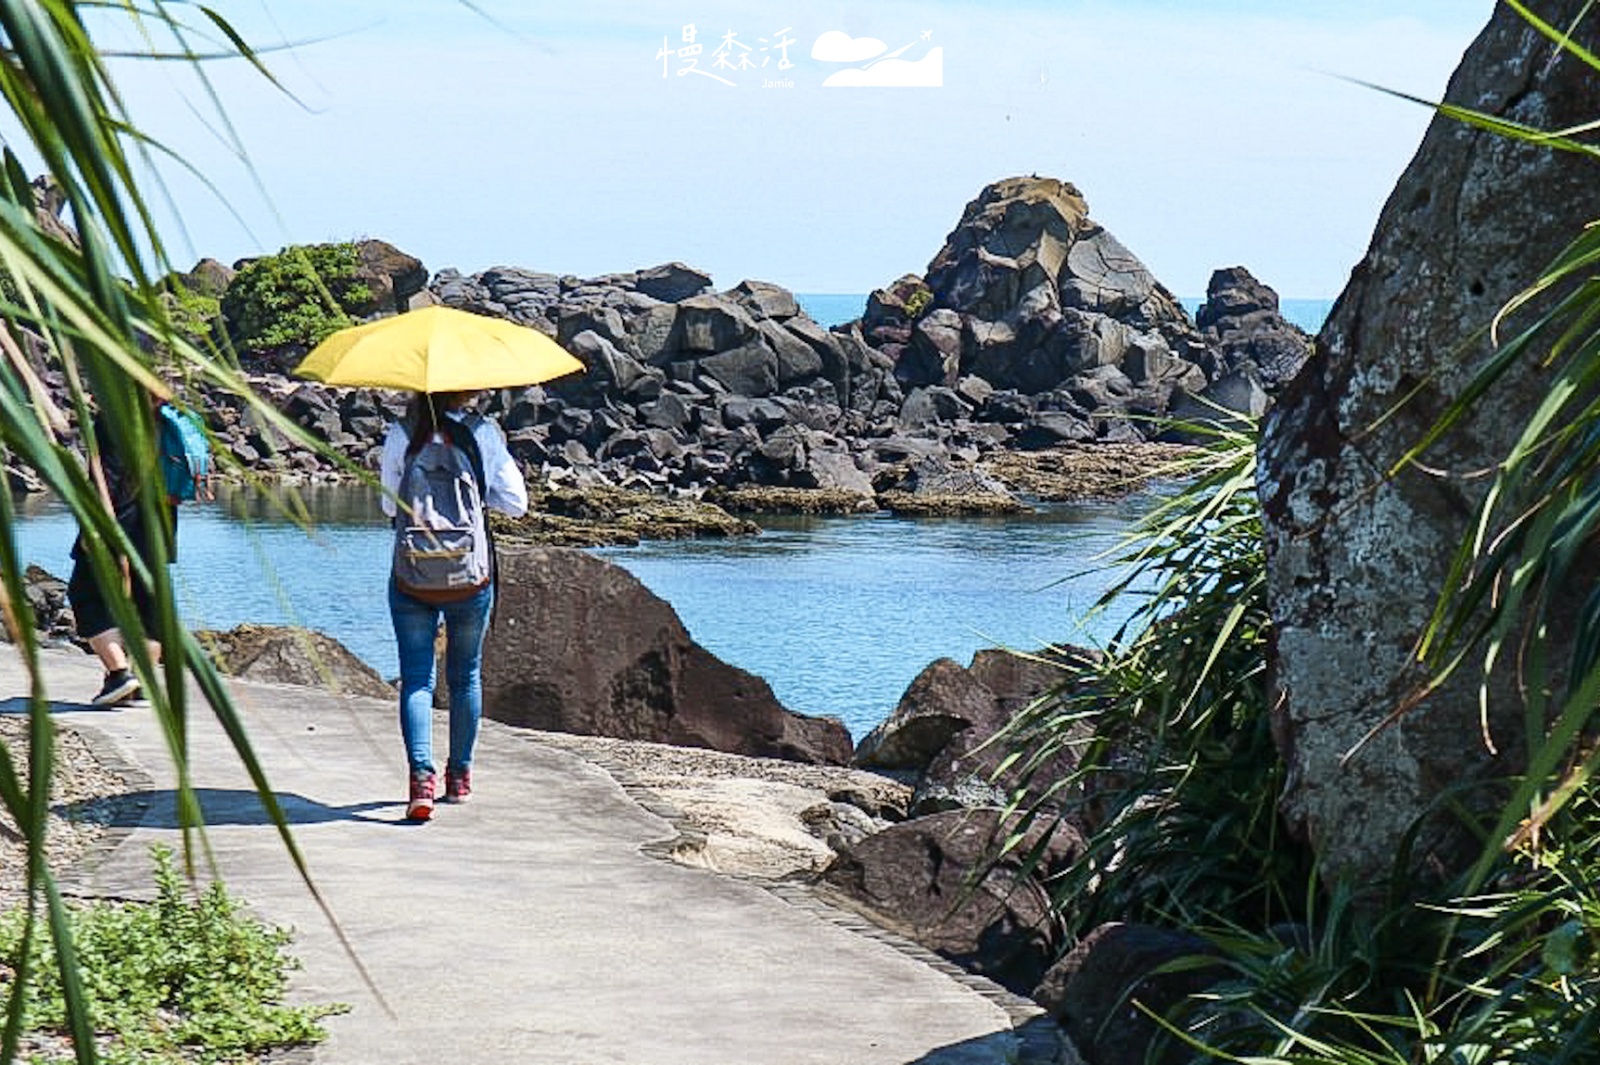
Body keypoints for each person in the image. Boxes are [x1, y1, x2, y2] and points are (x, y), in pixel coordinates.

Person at [380, 390, 527, 821]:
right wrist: (479, 498)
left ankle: (420, 781)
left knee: (417, 681)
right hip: (469, 574)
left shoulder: (401, 433)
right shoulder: (483, 433)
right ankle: (459, 776)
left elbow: (389, 503)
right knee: (465, 677)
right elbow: (517, 505)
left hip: (412, 575)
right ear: (466, 388)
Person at [67, 390, 179, 707]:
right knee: (149, 603)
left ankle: (119, 674)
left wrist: (96, 527)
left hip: (120, 522)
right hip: (161, 525)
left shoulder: (116, 419)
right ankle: (143, 683)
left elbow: (109, 477)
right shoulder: (168, 418)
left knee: (86, 595)